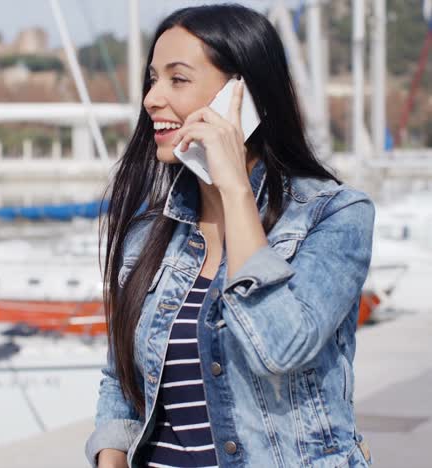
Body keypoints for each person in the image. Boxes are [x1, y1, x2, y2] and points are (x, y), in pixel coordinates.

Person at [85, 4, 375, 467]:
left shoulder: (335, 216)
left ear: (244, 96)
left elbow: (280, 350)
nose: (152, 99)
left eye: (177, 80)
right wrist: (109, 455)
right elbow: (122, 379)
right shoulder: (149, 234)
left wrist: (235, 187)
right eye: (152, 79)